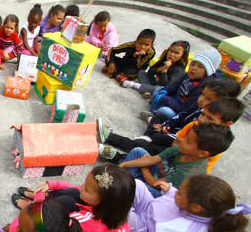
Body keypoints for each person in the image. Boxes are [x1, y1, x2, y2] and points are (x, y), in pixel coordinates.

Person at [98, 77, 242, 163]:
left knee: (146, 146)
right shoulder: (202, 114)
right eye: (202, 95)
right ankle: (134, 140)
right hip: (175, 143)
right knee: (158, 119)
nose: (202, 100)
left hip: (174, 154)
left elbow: (179, 146)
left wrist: (166, 136)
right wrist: (167, 125)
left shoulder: (212, 139)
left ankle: (117, 150)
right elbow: (181, 119)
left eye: (209, 99)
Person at [128, 176, 251, 232]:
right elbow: (179, 199)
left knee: (125, 214)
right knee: (136, 184)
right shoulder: (193, 207)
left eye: (179, 193)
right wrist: (170, 191)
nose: (176, 192)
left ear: (196, 207)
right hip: (149, 207)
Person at [99, 97, 245, 173]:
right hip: (172, 151)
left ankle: (116, 157)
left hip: (174, 165)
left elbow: (193, 165)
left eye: (209, 118)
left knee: (147, 158)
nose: (202, 119)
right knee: (142, 146)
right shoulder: (194, 125)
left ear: (227, 124)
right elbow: (176, 143)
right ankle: (111, 138)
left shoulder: (216, 143)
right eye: (202, 115)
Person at [119, 123, 234, 197]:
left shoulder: (188, 173)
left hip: (159, 192)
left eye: (188, 141)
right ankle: (122, 180)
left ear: (202, 153)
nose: (182, 140)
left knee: (139, 187)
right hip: (153, 175)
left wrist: (144, 169)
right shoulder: (181, 149)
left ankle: (122, 188)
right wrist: (124, 165)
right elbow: (153, 159)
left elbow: (155, 184)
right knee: (138, 151)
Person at [144, 48, 222, 120]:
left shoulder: (202, 88)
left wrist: (165, 99)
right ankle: (153, 111)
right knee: (159, 89)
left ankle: (154, 116)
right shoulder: (189, 75)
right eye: (193, 64)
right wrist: (166, 91)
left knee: (164, 111)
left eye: (200, 67)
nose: (194, 68)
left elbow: (185, 108)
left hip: (180, 111)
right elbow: (175, 85)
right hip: (174, 100)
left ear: (207, 72)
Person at [121, 41, 190, 98]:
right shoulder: (164, 60)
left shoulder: (179, 70)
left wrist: (164, 71)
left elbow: (166, 87)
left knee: (158, 89)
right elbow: (150, 72)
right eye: (171, 51)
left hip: (162, 89)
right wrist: (159, 69)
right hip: (154, 83)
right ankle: (147, 91)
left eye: (176, 53)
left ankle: (134, 85)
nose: (172, 54)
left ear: (182, 56)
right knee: (141, 72)